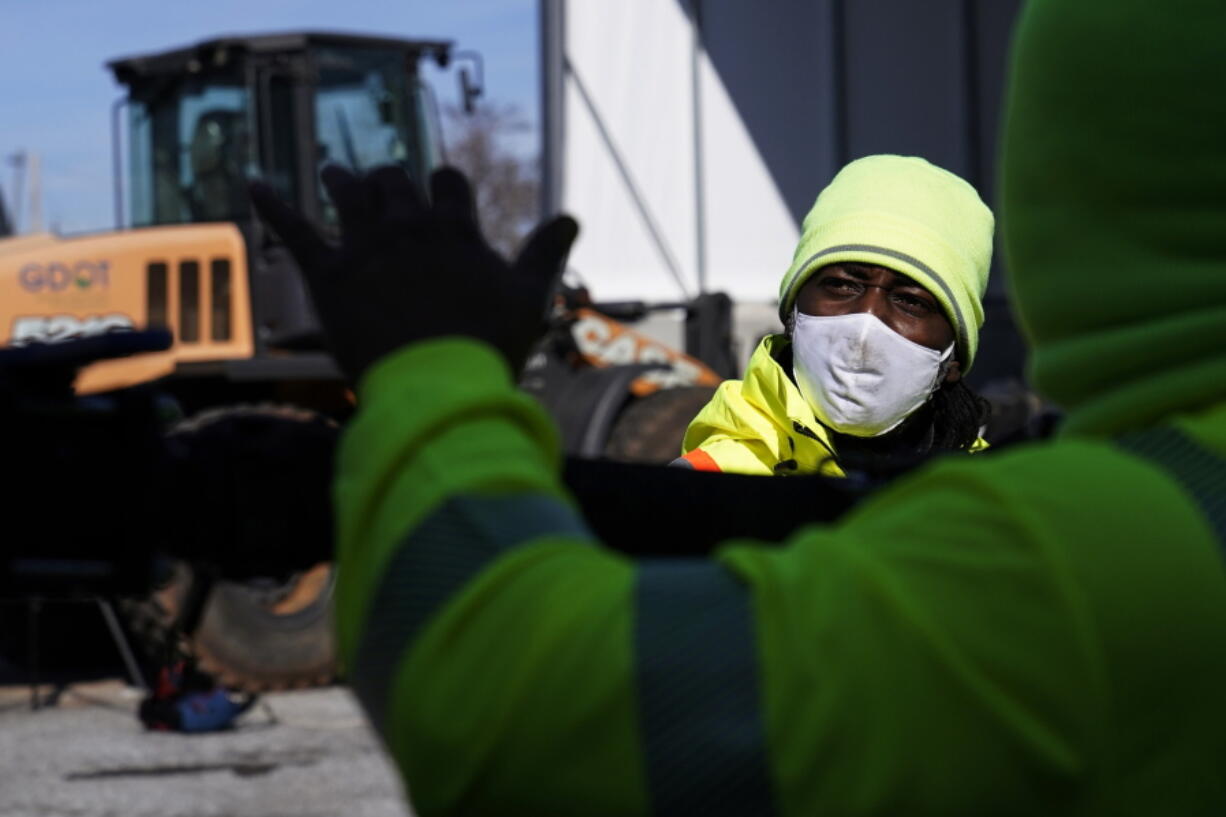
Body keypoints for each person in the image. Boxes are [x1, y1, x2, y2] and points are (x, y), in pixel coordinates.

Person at [250, 0, 1226, 811]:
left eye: (912, 301)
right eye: (835, 289)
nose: (862, 332)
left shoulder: (1083, 554)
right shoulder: (1129, 505)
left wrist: (425, 371)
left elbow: (519, 709)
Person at [678, 154, 993, 478]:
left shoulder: (990, 502)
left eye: (910, 302)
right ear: (793, 315)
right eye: (843, 285)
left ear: (952, 361)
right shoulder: (707, 485)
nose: (866, 326)